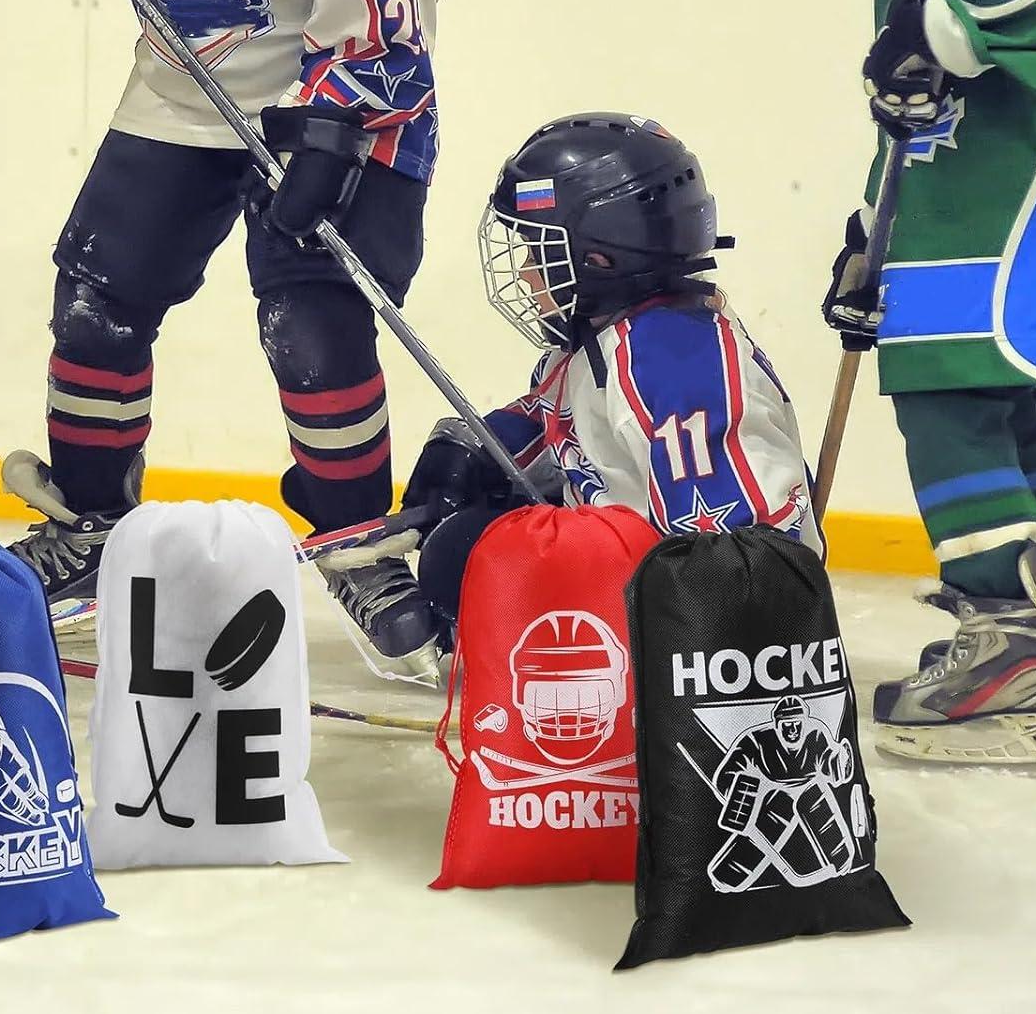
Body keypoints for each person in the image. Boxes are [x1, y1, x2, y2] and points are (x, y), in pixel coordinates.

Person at [0, 0, 477, 678]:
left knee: (312, 323)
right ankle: (93, 524)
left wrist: (329, 143)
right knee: (98, 302)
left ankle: (361, 544)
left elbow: (385, 39)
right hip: (186, 89)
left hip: (345, 103)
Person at [756, 0, 1036, 763]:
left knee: (945, 386)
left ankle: (1009, 631)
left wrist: (939, 31)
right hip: (971, 180)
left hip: (1006, 181)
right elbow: (918, 90)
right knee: (1013, 401)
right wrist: (876, 235)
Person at [328, 113, 816, 648]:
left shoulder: (674, 358)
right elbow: (555, 423)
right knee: (462, 545)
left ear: (600, 256)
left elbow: (740, 553)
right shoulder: (602, 342)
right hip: (652, 586)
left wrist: (702, 654)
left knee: (477, 554)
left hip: (705, 627)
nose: (525, 273)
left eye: (539, 252)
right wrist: (472, 456)